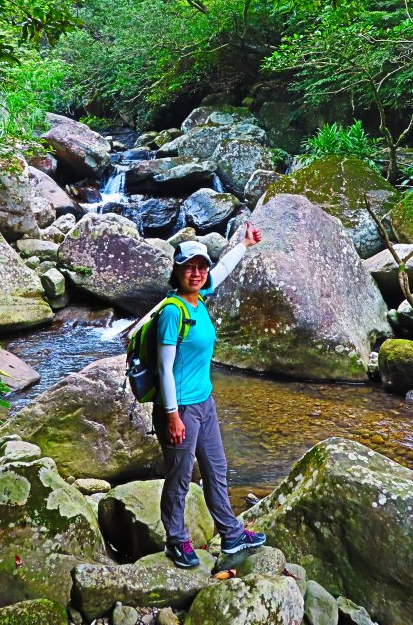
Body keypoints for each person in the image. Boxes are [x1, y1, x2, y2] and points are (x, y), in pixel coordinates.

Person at [154, 223, 267, 568]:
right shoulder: (174, 311)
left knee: (216, 469)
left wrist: (245, 244)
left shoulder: (200, 298)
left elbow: (224, 268)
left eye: (201, 266)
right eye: (190, 267)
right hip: (181, 409)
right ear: (177, 270)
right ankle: (176, 540)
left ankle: (230, 533)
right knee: (180, 477)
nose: (198, 273)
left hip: (205, 401)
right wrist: (172, 415)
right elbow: (164, 369)